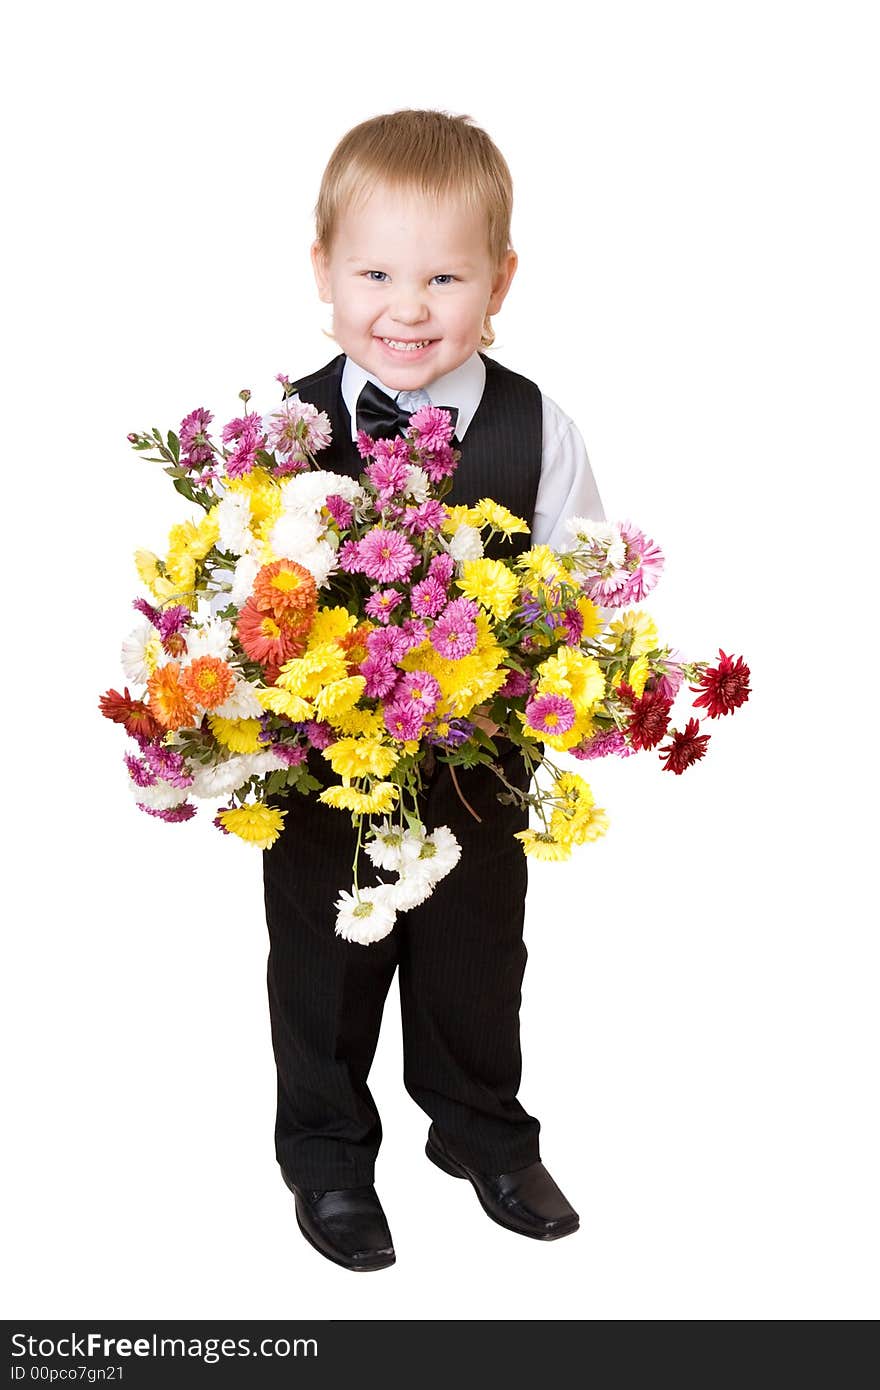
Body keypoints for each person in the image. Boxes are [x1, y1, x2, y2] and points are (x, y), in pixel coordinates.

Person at [262, 108, 607, 1272]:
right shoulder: (286, 429)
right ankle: (325, 1154)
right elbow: (237, 582)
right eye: (374, 272)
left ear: (500, 279)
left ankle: (480, 1132)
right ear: (322, 271)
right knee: (324, 965)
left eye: (445, 275)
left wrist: (566, 647)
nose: (407, 308)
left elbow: (581, 569)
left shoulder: (533, 424)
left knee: (476, 957)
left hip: (479, 759)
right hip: (321, 767)